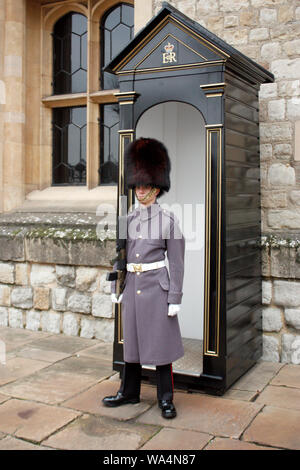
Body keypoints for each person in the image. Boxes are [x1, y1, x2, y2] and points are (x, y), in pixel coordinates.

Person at [102, 137, 185, 419]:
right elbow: (121, 254)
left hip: (157, 288)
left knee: (161, 347)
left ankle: (165, 398)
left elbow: (177, 262)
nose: (140, 191)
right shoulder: (127, 219)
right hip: (134, 286)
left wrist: (175, 297)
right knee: (132, 344)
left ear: (157, 188)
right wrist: (117, 285)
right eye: (137, 186)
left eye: (145, 186)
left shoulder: (168, 221)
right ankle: (129, 391)